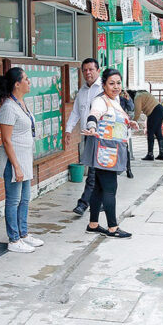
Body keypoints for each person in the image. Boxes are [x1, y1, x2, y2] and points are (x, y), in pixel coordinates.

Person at [81, 68, 138, 238]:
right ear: (104, 85)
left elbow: (114, 121)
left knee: (98, 188)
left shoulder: (115, 101)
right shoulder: (101, 101)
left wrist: (130, 123)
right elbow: (94, 116)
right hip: (105, 153)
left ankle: (93, 224)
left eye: (118, 83)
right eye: (111, 83)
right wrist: (91, 127)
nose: (115, 87)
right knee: (110, 189)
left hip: (110, 150)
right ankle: (113, 227)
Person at [0, 67, 44, 253]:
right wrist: (16, 166)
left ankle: (23, 234)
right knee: (13, 200)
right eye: (26, 79)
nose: (29, 82)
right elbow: (6, 140)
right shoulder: (8, 107)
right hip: (14, 160)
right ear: (17, 84)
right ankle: (13, 240)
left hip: (25, 157)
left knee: (25, 199)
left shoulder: (21, 103)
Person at [65, 58, 103, 215]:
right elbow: (75, 113)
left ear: (98, 70)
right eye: (85, 70)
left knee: (94, 171)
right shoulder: (81, 92)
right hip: (88, 136)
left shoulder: (104, 89)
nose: (88, 73)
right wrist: (68, 130)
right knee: (97, 171)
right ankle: (99, 201)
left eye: (91, 69)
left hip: (102, 137)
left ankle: (84, 203)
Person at [127, 90, 163, 160]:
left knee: (150, 132)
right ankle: (162, 154)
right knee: (158, 132)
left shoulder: (137, 97)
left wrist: (133, 122)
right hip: (160, 109)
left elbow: (137, 112)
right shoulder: (141, 93)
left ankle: (150, 154)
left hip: (154, 112)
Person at [120, 89, 135, 179]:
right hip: (109, 126)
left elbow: (131, 108)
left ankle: (128, 169)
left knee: (124, 148)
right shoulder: (107, 98)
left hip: (121, 126)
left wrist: (128, 99)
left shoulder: (123, 98)